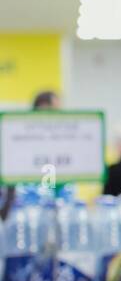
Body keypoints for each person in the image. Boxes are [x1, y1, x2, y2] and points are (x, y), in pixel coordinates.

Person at [1, 90, 63, 220]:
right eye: (54, 112)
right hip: (20, 219)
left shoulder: (57, 151)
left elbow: (54, 187)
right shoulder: (18, 145)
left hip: (49, 219)